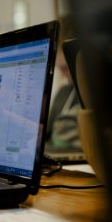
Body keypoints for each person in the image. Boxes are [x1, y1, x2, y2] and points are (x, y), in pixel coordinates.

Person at [46, 16, 82, 150]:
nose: (62, 74)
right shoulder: (64, 93)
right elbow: (45, 139)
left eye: (66, 68)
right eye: (59, 68)